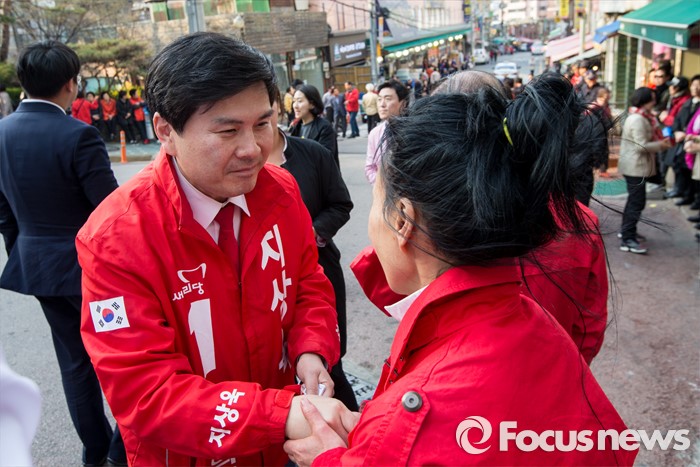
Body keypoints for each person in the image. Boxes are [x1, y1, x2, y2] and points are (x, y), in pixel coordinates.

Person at [283, 74, 635, 466]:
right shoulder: (536, 323)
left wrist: (334, 458)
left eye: (377, 201)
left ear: (402, 220)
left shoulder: (423, 408)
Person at [76, 32, 357, 466]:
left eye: (262, 124)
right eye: (228, 131)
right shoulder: (116, 238)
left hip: (280, 447)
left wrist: (312, 350)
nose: (253, 149)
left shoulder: (280, 190)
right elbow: (145, 392)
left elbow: (308, 282)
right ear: (166, 131)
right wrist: (280, 414)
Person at [0, 40, 125, 467]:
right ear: (71, 83)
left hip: (38, 267)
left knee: (75, 363)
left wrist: (23, 252)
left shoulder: (2, 133)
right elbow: (110, 211)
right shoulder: (78, 134)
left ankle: (97, 451)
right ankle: (120, 451)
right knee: (121, 359)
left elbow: (4, 211)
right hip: (91, 273)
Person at [268, 99, 357, 411]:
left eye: (261, 118)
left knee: (328, 363)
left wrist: (311, 233)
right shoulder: (236, 166)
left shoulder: (312, 153)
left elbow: (340, 204)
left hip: (319, 267)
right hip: (270, 281)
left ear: (274, 107)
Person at [618, 87, 673, 254]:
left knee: (635, 201)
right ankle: (627, 239)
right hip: (635, 167)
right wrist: (661, 145)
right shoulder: (638, 119)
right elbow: (640, 146)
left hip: (637, 166)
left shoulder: (642, 116)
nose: (654, 102)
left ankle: (628, 231)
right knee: (636, 202)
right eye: (652, 99)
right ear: (645, 100)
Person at [365, 80, 409, 184]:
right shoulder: (375, 133)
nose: (382, 104)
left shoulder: (413, 130)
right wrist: (384, 185)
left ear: (403, 104)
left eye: (388, 99)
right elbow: (369, 168)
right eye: (379, 99)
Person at [289, 84, 339, 166]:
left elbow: (325, 158)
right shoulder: (296, 128)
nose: (295, 106)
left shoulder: (324, 127)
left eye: (299, 101)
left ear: (312, 104)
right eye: (294, 101)